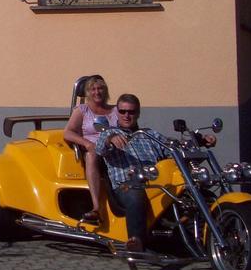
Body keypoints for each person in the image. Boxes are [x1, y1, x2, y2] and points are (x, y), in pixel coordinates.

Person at [96, 93, 216, 251]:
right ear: (117, 112)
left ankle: (206, 236)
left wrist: (200, 141)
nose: (126, 115)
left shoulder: (149, 134)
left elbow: (172, 147)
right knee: (135, 195)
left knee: (192, 191)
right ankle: (136, 242)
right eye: (123, 111)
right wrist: (110, 139)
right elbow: (99, 149)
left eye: (131, 112)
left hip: (155, 183)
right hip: (126, 185)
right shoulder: (109, 133)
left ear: (138, 113)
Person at [62, 74, 118, 224]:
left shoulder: (116, 110)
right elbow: (68, 132)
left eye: (100, 88)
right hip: (95, 150)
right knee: (91, 155)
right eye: (93, 89)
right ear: (87, 92)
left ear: (105, 91)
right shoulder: (82, 110)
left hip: (116, 150)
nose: (97, 92)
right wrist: (86, 144)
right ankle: (96, 207)